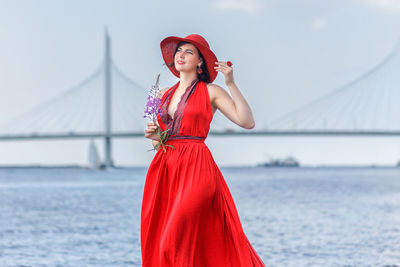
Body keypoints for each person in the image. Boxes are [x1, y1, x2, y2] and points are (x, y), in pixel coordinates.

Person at [141, 34, 266, 267]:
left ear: (200, 62)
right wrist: (154, 136)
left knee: (172, 239)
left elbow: (247, 122)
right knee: (162, 240)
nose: (181, 55)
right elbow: (156, 143)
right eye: (179, 51)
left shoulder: (212, 91)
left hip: (196, 167)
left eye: (189, 52)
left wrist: (231, 83)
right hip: (165, 168)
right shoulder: (158, 94)